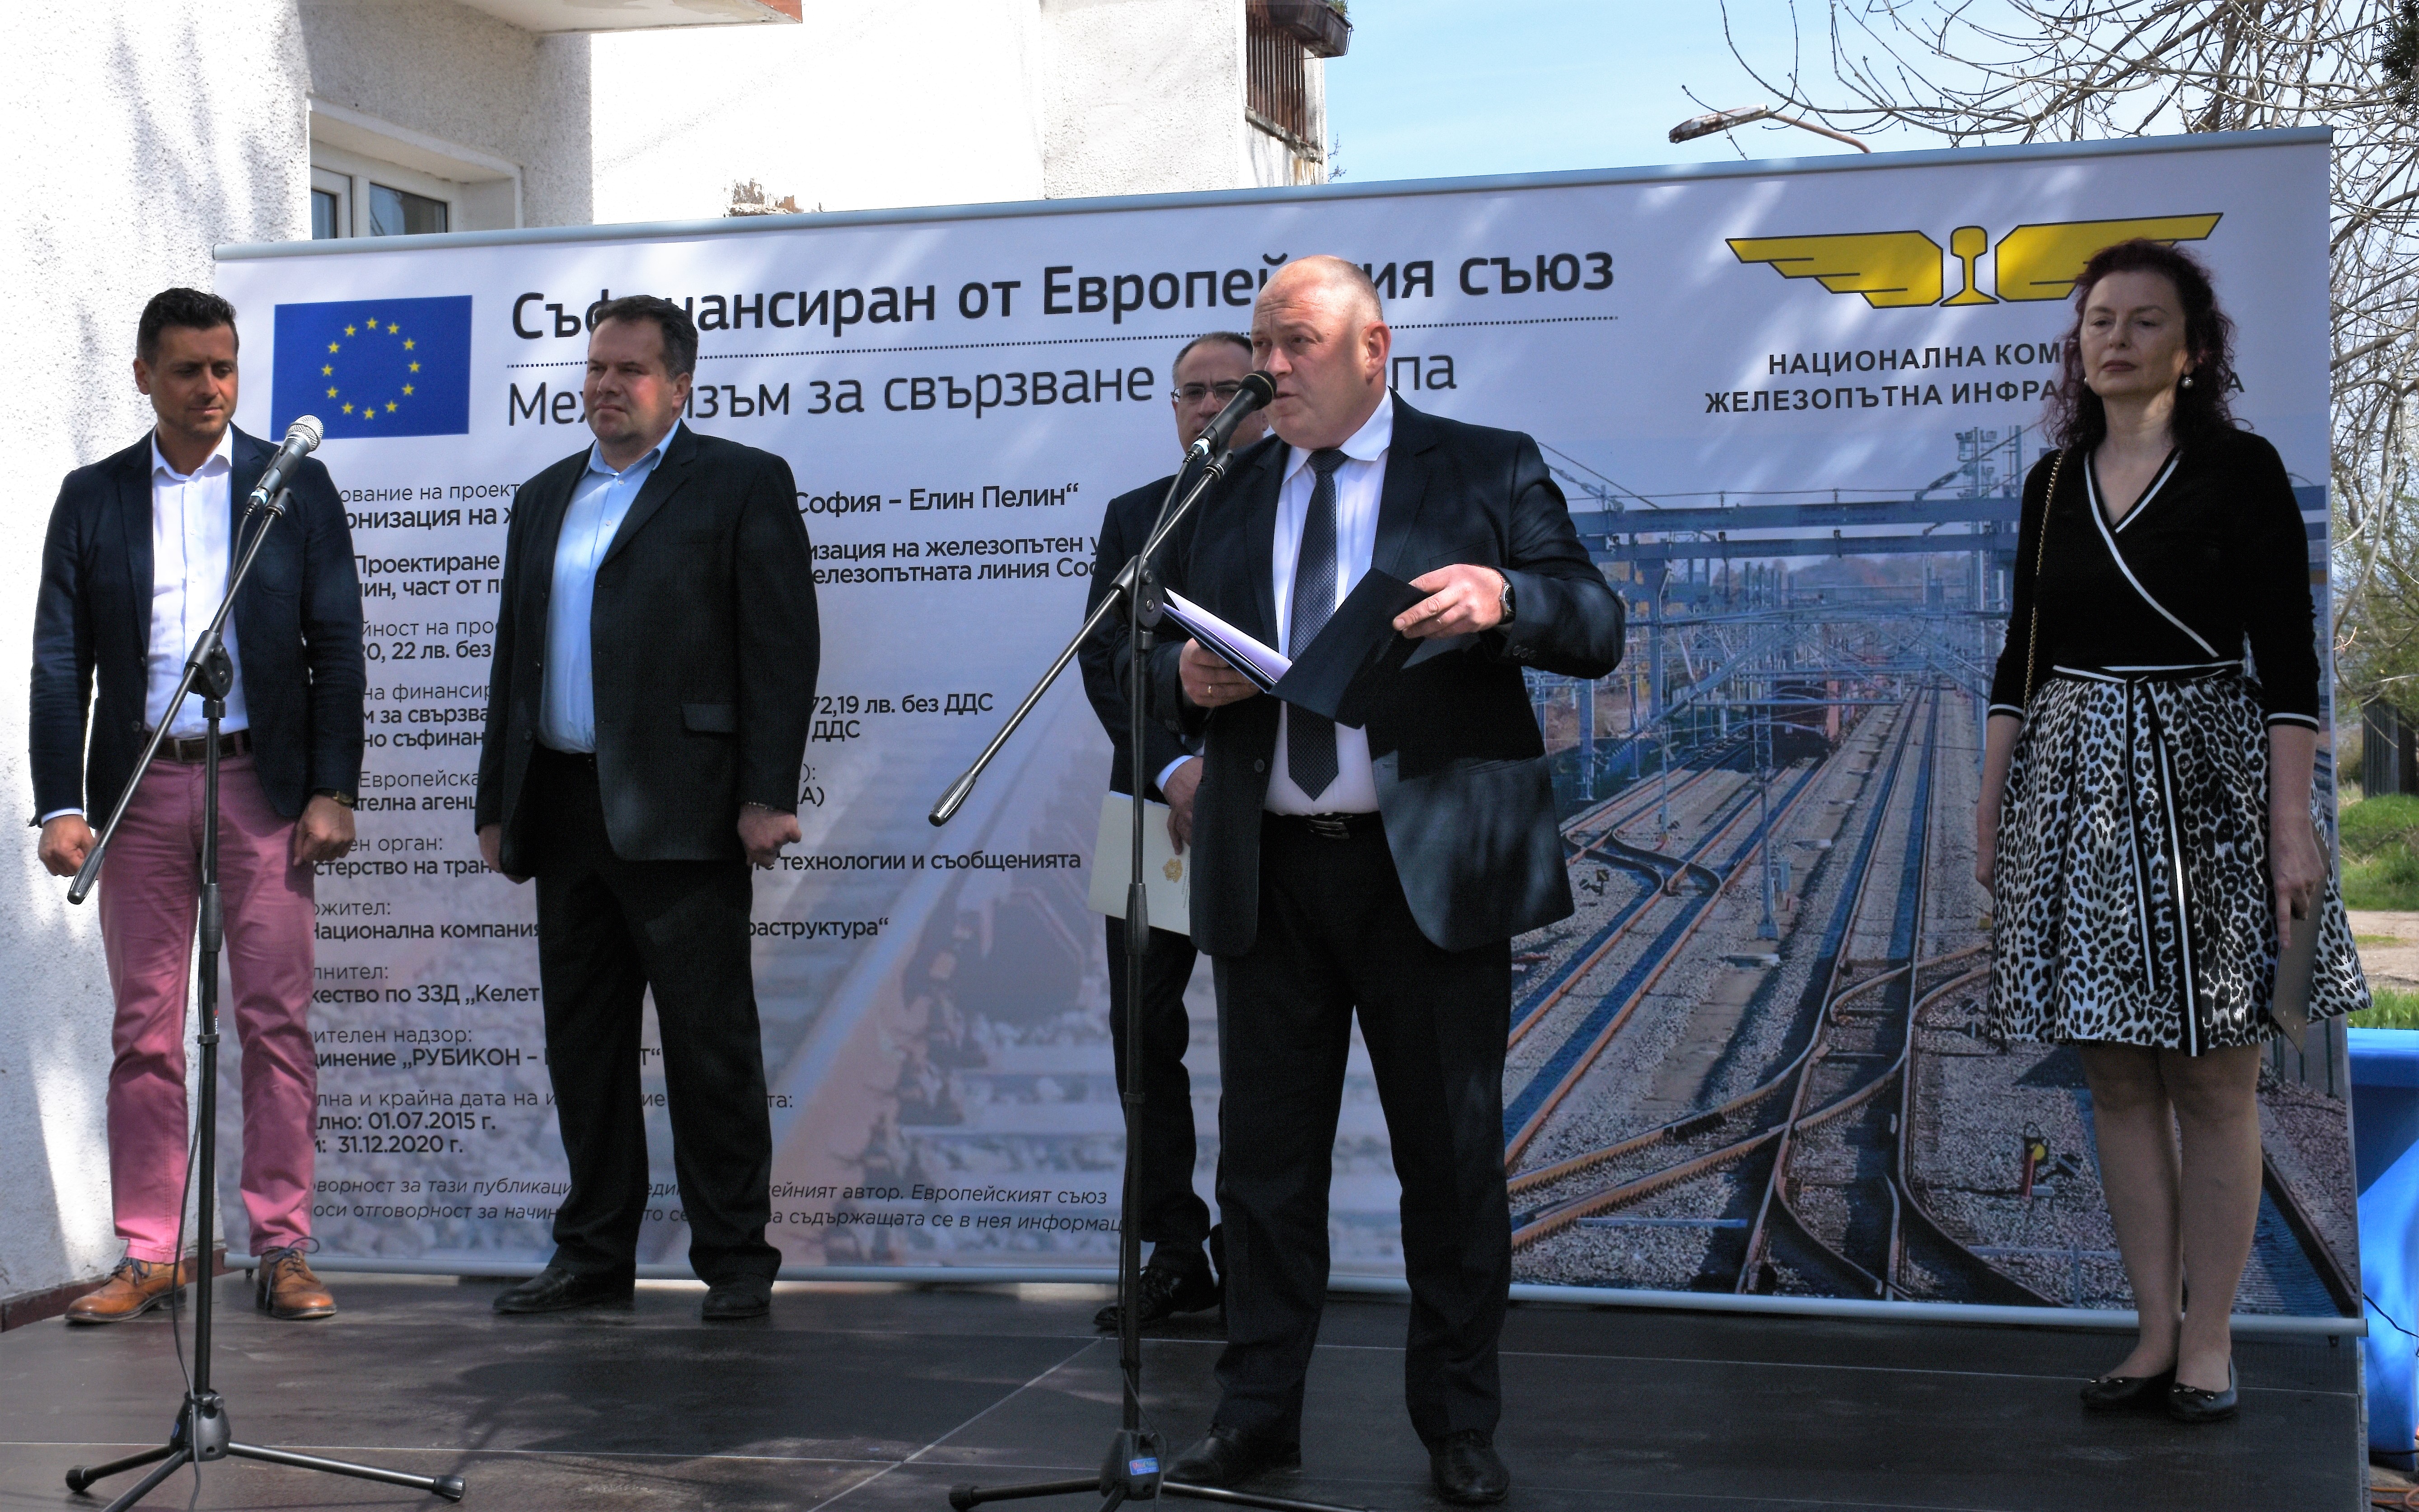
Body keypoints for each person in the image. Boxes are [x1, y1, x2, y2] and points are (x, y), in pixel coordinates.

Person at [1144, 257, 1625, 1505]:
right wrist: (1182, 683)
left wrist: (1503, 595)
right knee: (1263, 1172)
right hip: (1269, 874)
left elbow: (1594, 620)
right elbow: (1149, 656)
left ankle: (1458, 1424)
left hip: (1428, 876)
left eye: (1296, 341)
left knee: (1450, 1163)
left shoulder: (1483, 468)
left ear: (1374, 348)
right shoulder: (1225, 485)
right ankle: (1254, 1418)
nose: (1270, 367)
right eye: (1261, 343)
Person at [1975, 239, 2368, 1424]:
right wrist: (1990, 804)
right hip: (2075, 787)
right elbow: (2022, 655)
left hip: (2208, 785)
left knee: (2212, 1074)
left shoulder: (2240, 469)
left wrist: (2291, 824)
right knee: (2112, 1073)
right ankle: (2149, 1331)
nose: (2114, 337)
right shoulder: (2050, 483)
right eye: (2098, 319)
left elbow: (2287, 660)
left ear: (2190, 350)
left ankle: (2208, 1341)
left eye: (2143, 320)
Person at [474, 295, 819, 1322]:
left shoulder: (741, 482)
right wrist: (497, 799)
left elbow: (780, 650)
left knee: (709, 1048)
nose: (605, 386)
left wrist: (766, 794)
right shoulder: (545, 496)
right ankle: (592, 1254)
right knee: (583, 1049)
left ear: (679, 386)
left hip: (686, 812)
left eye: (629, 370)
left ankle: (736, 1260)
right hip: (564, 804)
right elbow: (513, 661)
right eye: (595, 369)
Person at [33, 287, 364, 1324]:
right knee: (145, 1030)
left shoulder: (291, 487)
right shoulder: (93, 497)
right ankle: (151, 1252)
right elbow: (59, 661)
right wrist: (60, 803)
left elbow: (336, 646)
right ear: (144, 376)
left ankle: (281, 1246)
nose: (211, 388)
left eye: (225, 368)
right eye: (188, 370)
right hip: (139, 787)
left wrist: (332, 788)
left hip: (264, 786)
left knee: (273, 1023)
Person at [1077, 331, 1269, 1332]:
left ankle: (1256, 1248)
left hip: (1273, 806)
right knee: (1140, 1035)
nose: (1205, 408)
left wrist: (1222, 775)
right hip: (1150, 804)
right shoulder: (1135, 516)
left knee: (1264, 1034)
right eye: (1190, 393)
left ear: (1264, 401)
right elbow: (1103, 660)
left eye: (1226, 391)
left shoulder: (1297, 508)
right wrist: (1173, 769)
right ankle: (1175, 1247)